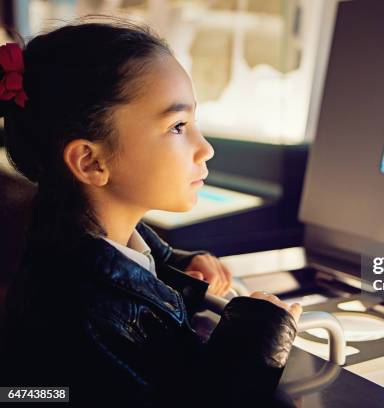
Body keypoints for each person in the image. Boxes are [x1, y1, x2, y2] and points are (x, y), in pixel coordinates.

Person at [0, 15, 301, 407]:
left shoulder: (76, 240)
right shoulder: (77, 315)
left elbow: (133, 275)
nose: (205, 148)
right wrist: (257, 338)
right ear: (91, 162)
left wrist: (182, 269)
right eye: (178, 126)